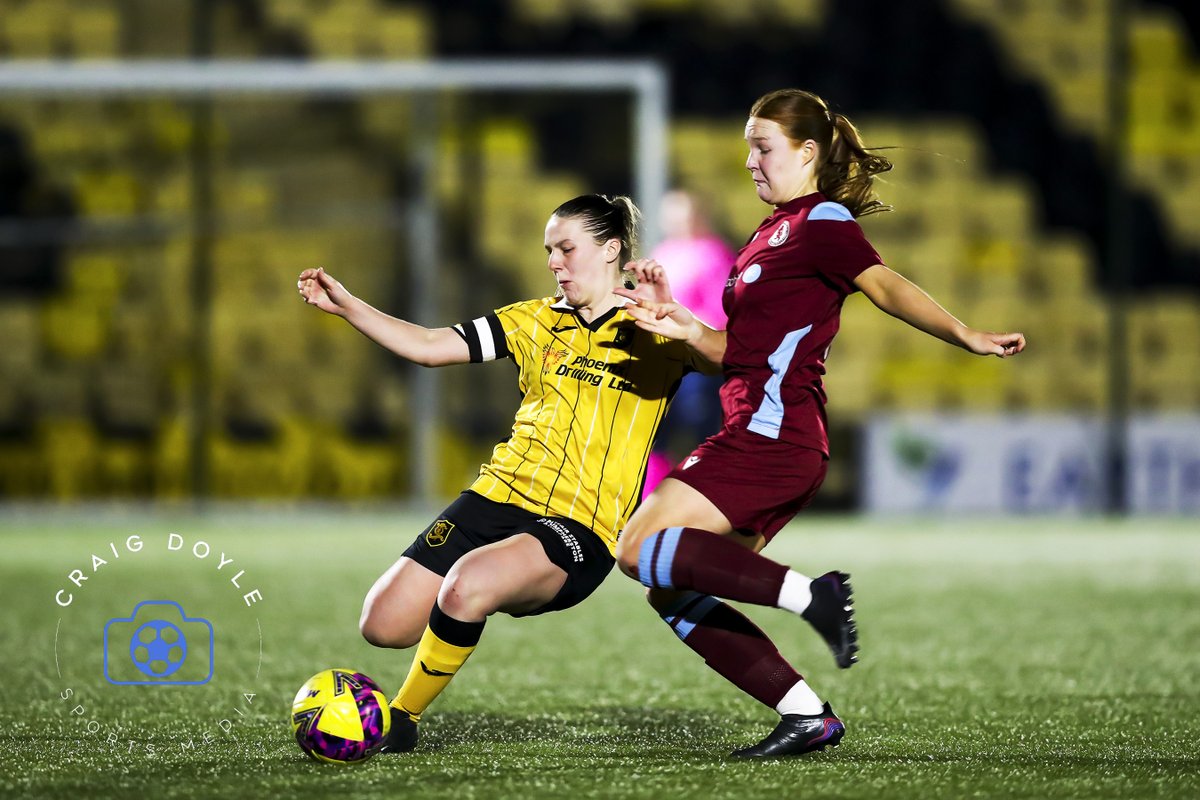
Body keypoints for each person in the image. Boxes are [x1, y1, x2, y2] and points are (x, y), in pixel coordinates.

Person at [613, 89, 1027, 758]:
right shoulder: (764, 237)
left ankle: (813, 594)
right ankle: (807, 716)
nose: (750, 161)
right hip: (764, 431)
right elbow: (737, 355)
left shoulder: (821, 221)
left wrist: (963, 333)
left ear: (807, 152)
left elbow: (883, 282)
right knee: (669, 582)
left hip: (772, 437)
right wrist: (685, 325)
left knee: (636, 549)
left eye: (763, 147)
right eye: (748, 146)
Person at [297, 194, 707, 754]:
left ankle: (401, 719)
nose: (554, 262)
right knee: (382, 624)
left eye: (566, 248)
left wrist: (686, 326)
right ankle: (472, 604)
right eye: (548, 251)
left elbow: (733, 360)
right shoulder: (532, 319)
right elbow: (428, 346)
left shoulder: (657, 326)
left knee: (469, 584)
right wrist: (350, 307)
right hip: (496, 495)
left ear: (611, 249)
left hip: (579, 524)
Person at [643, 190, 734, 497]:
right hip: (664, 359)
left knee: (702, 432)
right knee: (652, 433)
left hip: (697, 363)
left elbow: (722, 313)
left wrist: (682, 327)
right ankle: (651, 498)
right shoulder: (665, 251)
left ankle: (710, 496)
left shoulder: (713, 254)